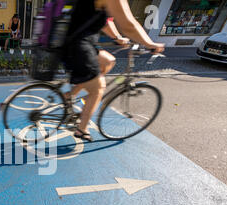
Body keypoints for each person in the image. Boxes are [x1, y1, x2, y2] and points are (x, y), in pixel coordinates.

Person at [61, 0, 164, 141]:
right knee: (98, 89)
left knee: (108, 61)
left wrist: (117, 38)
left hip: (80, 43)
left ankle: (71, 95)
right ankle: (82, 129)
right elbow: (128, 25)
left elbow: (104, 21)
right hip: (78, 47)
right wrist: (150, 44)